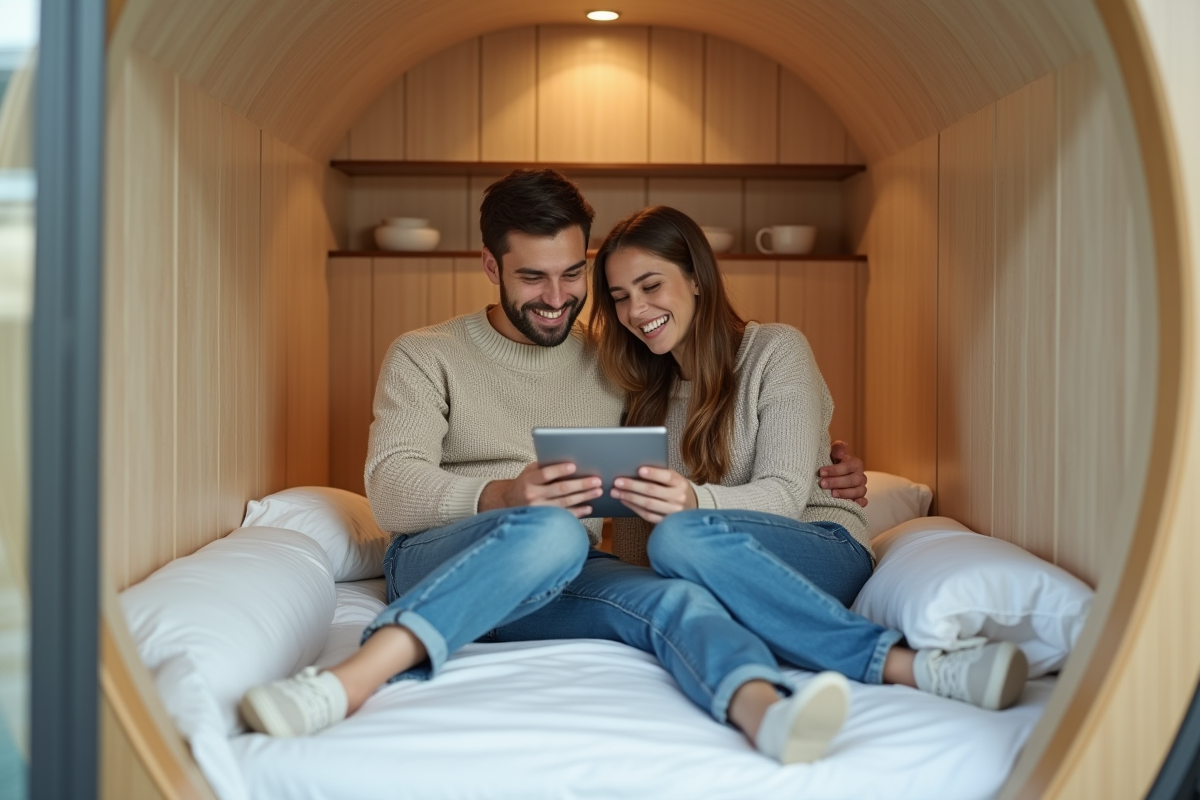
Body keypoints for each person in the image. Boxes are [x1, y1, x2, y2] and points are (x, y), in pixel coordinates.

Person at [239, 169, 870, 763]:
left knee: (674, 599)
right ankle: (349, 680)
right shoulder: (425, 355)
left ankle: (768, 715)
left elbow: (705, 430)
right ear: (491, 266)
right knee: (552, 527)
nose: (557, 298)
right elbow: (390, 490)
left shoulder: (618, 363)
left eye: (573, 275)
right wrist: (504, 495)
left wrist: (830, 464)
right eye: (532, 278)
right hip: (446, 559)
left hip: (569, 566)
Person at [588, 205, 1028, 713]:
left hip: (820, 546)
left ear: (696, 280)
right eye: (620, 298)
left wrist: (690, 501)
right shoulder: (640, 388)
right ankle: (768, 703)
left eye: (650, 286)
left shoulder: (775, 351)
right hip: (701, 568)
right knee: (663, 560)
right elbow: (636, 538)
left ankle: (899, 662)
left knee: (681, 536)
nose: (636, 310)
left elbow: (784, 494)